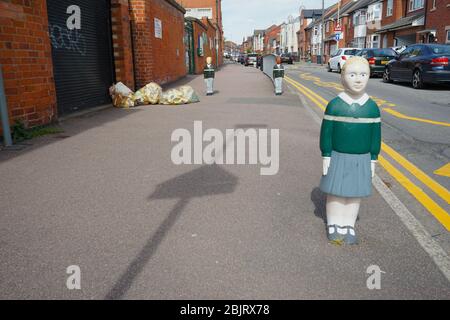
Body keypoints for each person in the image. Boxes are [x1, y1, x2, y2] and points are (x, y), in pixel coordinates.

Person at [319, 56, 381, 245]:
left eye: (363, 74)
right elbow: (326, 132)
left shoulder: (372, 108)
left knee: (354, 194)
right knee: (336, 193)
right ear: (342, 76)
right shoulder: (335, 105)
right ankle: (334, 224)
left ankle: (348, 225)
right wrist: (326, 154)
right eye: (352, 74)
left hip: (362, 158)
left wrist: (373, 159)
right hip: (337, 155)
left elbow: (375, 136)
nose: (358, 79)